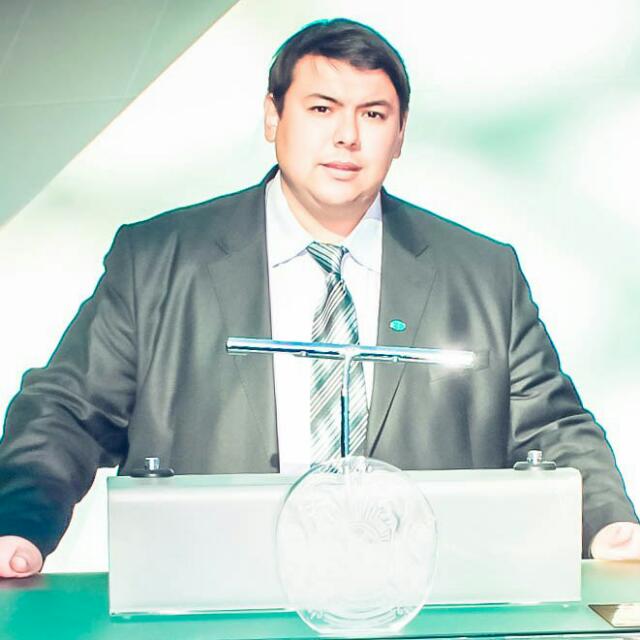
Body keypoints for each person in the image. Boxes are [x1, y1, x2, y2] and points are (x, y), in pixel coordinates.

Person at [0, 18, 638, 580]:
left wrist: (608, 524)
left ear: (400, 133)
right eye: (322, 108)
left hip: (425, 602)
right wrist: (19, 526)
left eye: (373, 115)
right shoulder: (158, 260)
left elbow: (552, 426)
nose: (347, 137)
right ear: (273, 117)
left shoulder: (483, 273)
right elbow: (67, 410)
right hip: (212, 600)